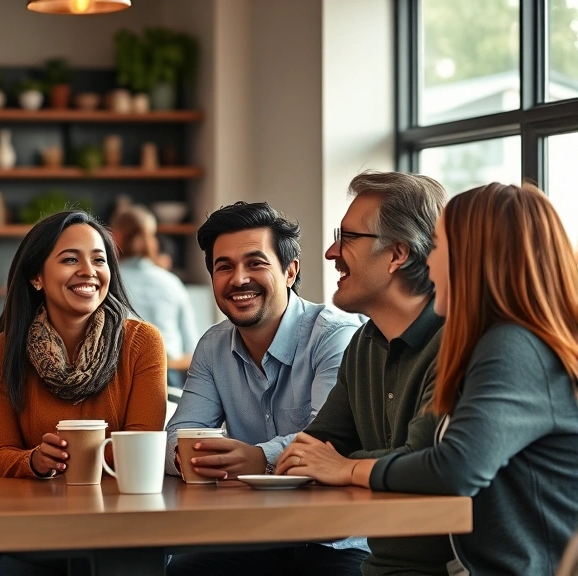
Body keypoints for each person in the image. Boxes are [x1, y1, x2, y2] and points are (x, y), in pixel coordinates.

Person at [280, 182, 578, 575]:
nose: (429, 263)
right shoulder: (494, 341)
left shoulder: (514, 347)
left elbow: (453, 467)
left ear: (474, 258)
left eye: (437, 247)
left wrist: (345, 468)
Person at [165, 202, 365, 576]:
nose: (239, 279)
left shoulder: (336, 336)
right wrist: (190, 457)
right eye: (224, 267)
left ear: (290, 271)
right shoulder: (213, 345)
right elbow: (179, 433)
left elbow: (331, 439)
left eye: (255, 263)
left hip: (336, 538)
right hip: (255, 534)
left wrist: (261, 458)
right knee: (179, 570)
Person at [276, 170, 453, 575]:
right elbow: (307, 452)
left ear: (397, 254)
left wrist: (342, 466)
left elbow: (430, 463)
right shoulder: (364, 343)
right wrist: (334, 462)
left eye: (348, 237)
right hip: (381, 566)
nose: (330, 252)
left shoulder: (457, 343)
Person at [0, 211, 167, 576]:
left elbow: (141, 447)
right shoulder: (5, 351)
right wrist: (34, 461)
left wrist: (77, 458)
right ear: (36, 277)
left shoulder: (142, 343)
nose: (89, 270)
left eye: (99, 259)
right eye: (70, 259)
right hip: (38, 529)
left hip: (123, 527)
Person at [111, 205, 200, 388]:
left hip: (116, 380)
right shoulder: (171, 282)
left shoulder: (106, 282)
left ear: (115, 237)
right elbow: (193, 354)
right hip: (167, 381)